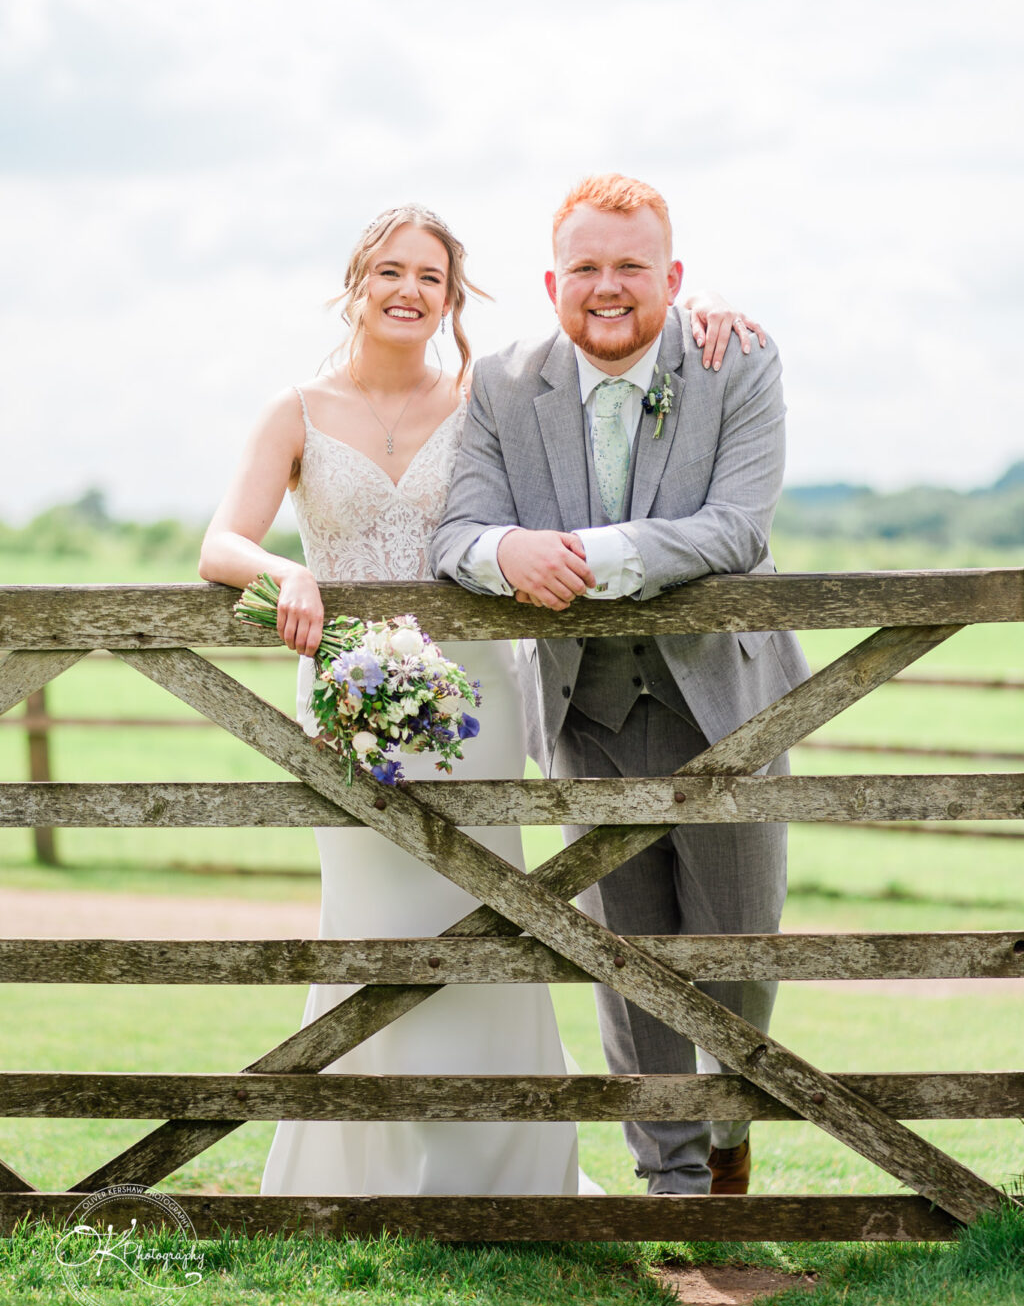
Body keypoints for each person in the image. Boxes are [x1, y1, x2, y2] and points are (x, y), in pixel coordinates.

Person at [199, 200, 763, 1197]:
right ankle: (359, 1165)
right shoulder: (294, 411)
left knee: (490, 915)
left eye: (430, 277)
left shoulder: (487, 395)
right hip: (348, 702)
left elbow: (605, 329)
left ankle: (502, 1169)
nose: (408, 291)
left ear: (454, 298)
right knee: (369, 921)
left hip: (477, 703)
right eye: (389, 273)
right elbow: (219, 546)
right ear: (355, 286)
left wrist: (702, 299)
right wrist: (281, 577)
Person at [431, 173, 811, 1198]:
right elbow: (457, 531)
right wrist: (505, 552)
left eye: (630, 266)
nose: (608, 287)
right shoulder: (504, 386)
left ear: (673, 277)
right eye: (587, 267)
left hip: (729, 703)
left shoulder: (736, 360)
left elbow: (737, 528)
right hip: (583, 712)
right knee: (625, 960)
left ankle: (730, 1120)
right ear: (554, 280)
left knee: (736, 950)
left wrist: (584, 559)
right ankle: (672, 1183)